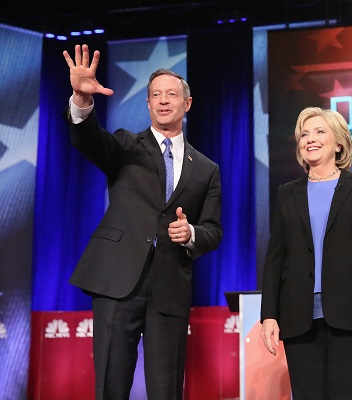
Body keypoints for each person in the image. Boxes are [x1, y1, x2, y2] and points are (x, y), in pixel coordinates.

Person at [62, 44, 223, 399]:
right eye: (155, 95)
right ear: (148, 104)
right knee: (111, 385)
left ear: (187, 103)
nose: (163, 100)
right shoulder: (125, 145)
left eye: (171, 94)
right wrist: (81, 102)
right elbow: (88, 140)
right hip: (118, 281)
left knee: (166, 390)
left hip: (170, 288)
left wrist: (192, 232)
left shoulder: (207, 168)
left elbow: (213, 230)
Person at [260, 107, 352, 399]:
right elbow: (275, 258)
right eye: (304, 134)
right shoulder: (287, 193)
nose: (310, 139)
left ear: (338, 143)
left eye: (319, 131)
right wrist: (269, 315)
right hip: (300, 318)